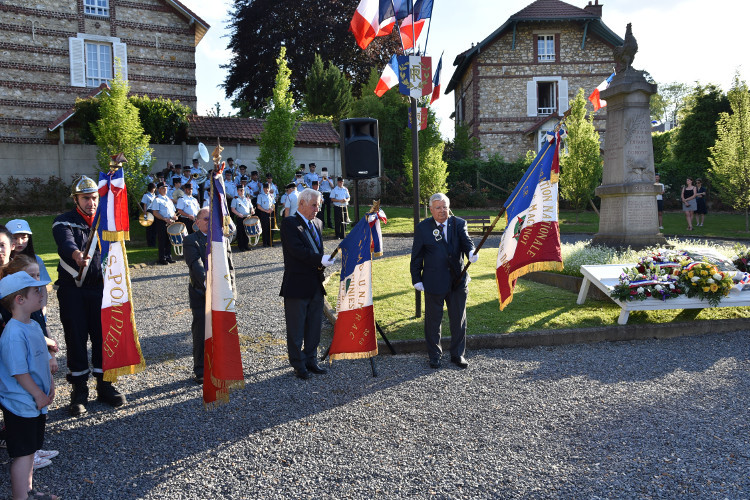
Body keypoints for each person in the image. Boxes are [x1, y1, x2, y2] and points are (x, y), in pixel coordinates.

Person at [53, 176, 126, 416]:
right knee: (75, 338)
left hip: (102, 289)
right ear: (76, 199)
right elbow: (66, 244)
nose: (91, 203)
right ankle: (79, 391)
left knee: (103, 338)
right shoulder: (63, 221)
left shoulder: (107, 222)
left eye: (94, 198)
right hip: (73, 290)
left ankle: (105, 386)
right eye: (86, 198)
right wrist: (76, 255)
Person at [0, 272, 59, 500]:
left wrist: (50, 384)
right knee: (23, 455)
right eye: (36, 291)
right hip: (21, 403)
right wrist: (37, 394)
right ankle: (20, 497)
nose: (42, 293)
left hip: (35, 401)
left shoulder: (33, 325)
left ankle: (29, 492)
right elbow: (19, 372)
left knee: (30, 451)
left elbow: (41, 361)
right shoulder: (13, 333)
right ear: (19, 300)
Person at [410, 193, 478, 369]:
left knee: (458, 320)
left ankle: (458, 355)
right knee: (433, 321)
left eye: (445, 207)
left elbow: (467, 242)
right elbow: (416, 257)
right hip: (434, 280)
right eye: (438, 208)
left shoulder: (459, 223)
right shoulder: (423, 228)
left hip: (457, 280)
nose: (442, 211)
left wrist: (471, 252)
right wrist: (416, 278)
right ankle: (434, 356)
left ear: (449, 207)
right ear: (431, 209)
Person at [279, 189, 335, 379]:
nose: (317, 209)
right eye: (314, 205)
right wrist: (320, 259)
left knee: (314, 326)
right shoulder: (289, 224)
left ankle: (311, 359)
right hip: (296, 284)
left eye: (319, 205)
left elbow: (316, 249)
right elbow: (297, 251)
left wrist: (322, 261)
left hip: (315, 284)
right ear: (301, 203)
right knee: (296, 329)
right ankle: (298, 364)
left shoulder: (317, 223)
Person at [182, 208, 234, 384]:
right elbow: (195, 266)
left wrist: (232, 291)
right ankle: (201, 369)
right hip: (201, 293)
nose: (210, 222)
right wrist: (210, 285)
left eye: (213, 219)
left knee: (221, 330)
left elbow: (230, 268)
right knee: (201, 332)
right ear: (197, 222)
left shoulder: (223, 240)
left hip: (223, 294)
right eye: (206, 219)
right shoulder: (190, 240)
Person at [149, 182, 178, 265]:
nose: (165, 189)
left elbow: (173, 211)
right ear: (158, 189)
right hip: (161, 222)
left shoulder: (169, 200)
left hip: (170, 221)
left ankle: (169, 256)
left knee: (169, 239)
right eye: (163, 188)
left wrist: (175, 216)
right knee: (162, 240)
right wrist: (165, 219)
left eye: (166, 187)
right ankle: (162, 258)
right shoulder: (157, 199)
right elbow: (155, 213)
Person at [230, 185, 254, 252]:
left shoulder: (247, 198)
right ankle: (241, 246)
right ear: (238, 191)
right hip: (240, 217)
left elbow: (251, 206)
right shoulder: (235, 199)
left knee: (247, 232)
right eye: (240, 190)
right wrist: (238, 214)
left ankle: (246, 245)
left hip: (247, 217)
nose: (242, 191)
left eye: (243, 190)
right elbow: (233, 209)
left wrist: (252, 210)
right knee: (241, 232)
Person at [255, 183, 275, 247]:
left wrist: (271, 209)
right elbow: (258, 206)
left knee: (271, 227)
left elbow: (273, 204)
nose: (267, 189)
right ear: (263, 188)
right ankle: (265, 243)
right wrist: (266, 211)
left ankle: (270, 242)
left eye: (268, 188)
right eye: (266, 188)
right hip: (264, 213)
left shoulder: (271, 195)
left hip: (270, 212)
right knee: (265, 228)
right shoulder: (260, 196)